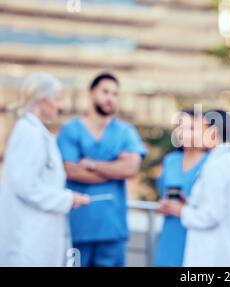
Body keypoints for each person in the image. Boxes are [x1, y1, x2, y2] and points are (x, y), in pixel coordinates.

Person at [0, 73, 90, 267]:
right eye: (57, 99)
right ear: (42, 100)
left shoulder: (35, 132)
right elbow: (25, 186)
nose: (60, 106)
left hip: (37, 238)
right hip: (28, 244)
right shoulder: (30, 134)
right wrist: (67, 199)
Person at [57, 72, 147, 267]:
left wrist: (92, 164)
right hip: (77, 229)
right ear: (91, 94)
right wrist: (115, 169)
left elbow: (131, 169)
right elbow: (70, 170)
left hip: (112, 229)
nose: (110, 98)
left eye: (115, 94)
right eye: (105, 92)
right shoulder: (71, 130)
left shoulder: (125, 132)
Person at [165, 110, 230, 267]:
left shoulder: (217, 165)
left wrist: (180, 211)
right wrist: (188, 203)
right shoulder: (225, 160)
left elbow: (211, 215)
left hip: (214, 257)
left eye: (198, 129)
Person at [153, 110, 209, 267]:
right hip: (170, 233)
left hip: (196, 235)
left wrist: (184, 207)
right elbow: (163, 194)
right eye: (180, 128)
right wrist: (163, 205)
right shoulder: (170, 161)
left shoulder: (211, 162)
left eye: (191, 128)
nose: (184, 134)